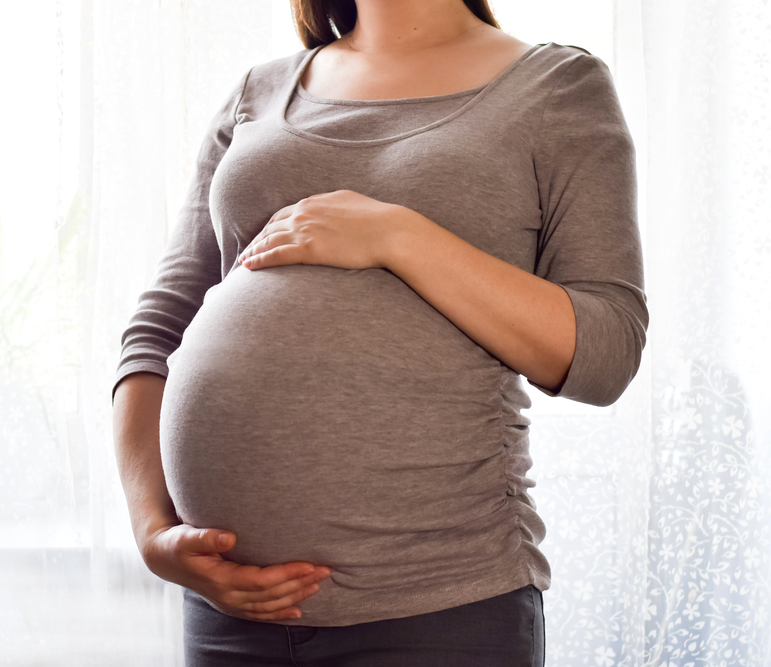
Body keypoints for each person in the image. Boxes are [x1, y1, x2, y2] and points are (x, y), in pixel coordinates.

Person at [111, 0, 648, 664]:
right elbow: (158, 328)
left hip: (437, 612)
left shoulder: (556, 88)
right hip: (228, 613)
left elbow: (607, 348)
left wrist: (397, 235)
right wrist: (151, 529)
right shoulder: (259, 92)